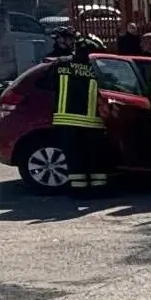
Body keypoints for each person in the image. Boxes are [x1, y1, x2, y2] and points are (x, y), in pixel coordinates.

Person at [53, 34, 110, 196]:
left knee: (74, 158)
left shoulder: (60, 64)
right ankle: (98, 190)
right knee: (95, 157)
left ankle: (79, 191)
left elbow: (50, 85)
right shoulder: (97, 68)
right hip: (92, 121)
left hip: (65, 120)